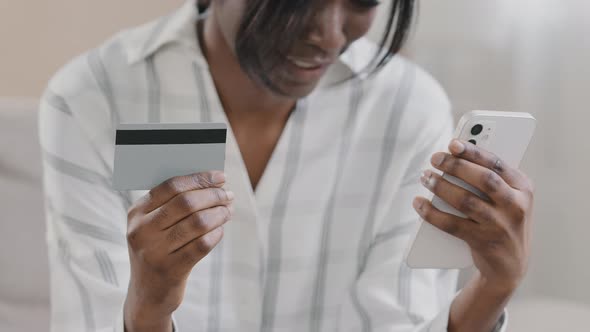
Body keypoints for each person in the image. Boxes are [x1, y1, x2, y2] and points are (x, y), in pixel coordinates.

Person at [39, 0, 534, 331]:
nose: (329, 34)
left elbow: (397, 321)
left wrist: (492, 290)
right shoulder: (92, 98)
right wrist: (151, 303)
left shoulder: (406, 107)